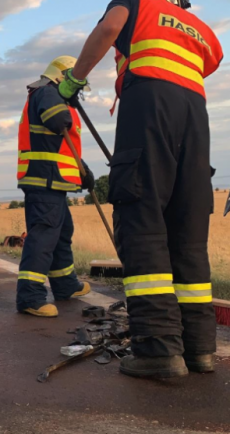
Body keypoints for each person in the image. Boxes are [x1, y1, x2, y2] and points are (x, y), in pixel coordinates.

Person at [60, 0, 223, 378]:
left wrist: (74, 79)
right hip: (195, 116)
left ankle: (158, 351)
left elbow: (108, 29)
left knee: (143, 223)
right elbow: (211, 60)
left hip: (149, 104)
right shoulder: (198, 27)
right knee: (187, 235)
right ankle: (199, 349)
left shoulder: (137, 2)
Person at [15, 56, 93, 319]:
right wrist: (64, 108)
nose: (78, 91)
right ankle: (30, 296)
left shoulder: (53, 96)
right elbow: (56, 121)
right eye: (75, 84)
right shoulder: (46, 93)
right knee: (44, 236)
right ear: (63, 77)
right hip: (43, 179)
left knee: (61, 232)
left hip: (54, 180)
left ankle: (65, 284)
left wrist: (82, 170)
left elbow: (61, 144)